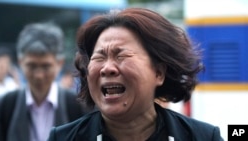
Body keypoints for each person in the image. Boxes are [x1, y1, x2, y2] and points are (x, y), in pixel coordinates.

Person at [47, 8, 223, 141]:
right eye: (99, 57)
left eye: (121, 55)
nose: (107, 68)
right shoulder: (63, 138)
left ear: (159, 73)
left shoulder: (203, 137)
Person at [0, 22, 91, 141]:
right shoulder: (4, 106)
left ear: (60, 63)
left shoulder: (77, 107)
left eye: (46, 66)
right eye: (31, 66)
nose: (39, 75)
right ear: (20, 62)